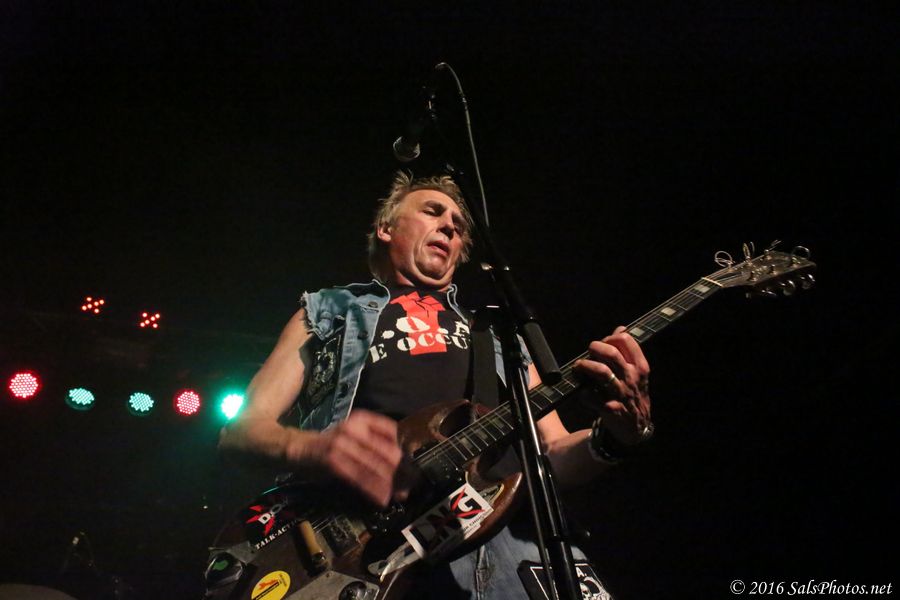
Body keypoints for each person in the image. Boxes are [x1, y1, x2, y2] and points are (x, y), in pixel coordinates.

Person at [217, 171, 653, 599]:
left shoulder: (499, 334)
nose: (449, 226)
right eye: (432, 211)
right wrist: (314, 447)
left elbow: (553, 452)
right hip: (370, 553)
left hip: (514, 542)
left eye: (458, 226)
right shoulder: (328, 311)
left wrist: (616, 437)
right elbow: (240, 431)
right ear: (386, 228)